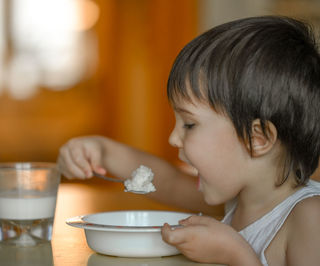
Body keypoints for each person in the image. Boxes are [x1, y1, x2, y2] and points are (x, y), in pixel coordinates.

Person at [57, 16, 320, 265]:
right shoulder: (238, 196)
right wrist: (102, 151)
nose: (173, 138)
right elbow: (168, 182)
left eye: (189, 124)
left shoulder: (309, 218)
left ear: (257, 138)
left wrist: (234, 253)